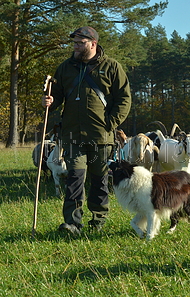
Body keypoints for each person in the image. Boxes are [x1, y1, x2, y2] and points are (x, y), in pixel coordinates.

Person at [41, 26, 131, 236]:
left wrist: (110, 123)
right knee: (74, 178)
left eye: (80, 43)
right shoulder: (65, 68)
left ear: (93, 44)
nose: (75, 46)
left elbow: (124, 99)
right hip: (72, 135)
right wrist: (48, 101)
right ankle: (73, 224)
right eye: (74, 43)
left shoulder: (112, 67)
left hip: (101, 136)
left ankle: (98, 221)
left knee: (99, 179)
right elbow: (55, 97)